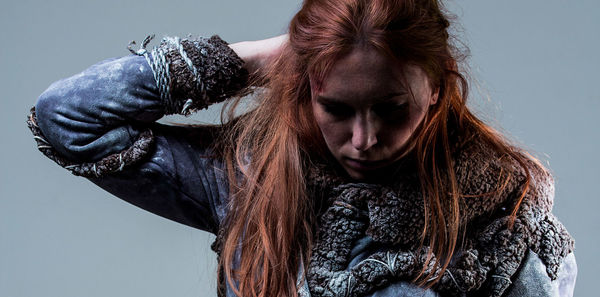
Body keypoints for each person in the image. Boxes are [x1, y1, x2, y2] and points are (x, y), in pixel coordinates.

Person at [26, 0, 576, 296]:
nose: (363, 140)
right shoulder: (250, 173)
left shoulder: (499, 203)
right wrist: (268, 58)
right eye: (336, 107)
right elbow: (67, 118)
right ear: (307, 88)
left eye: (391, 108)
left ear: (434, 88)